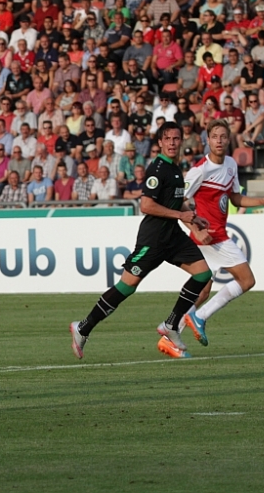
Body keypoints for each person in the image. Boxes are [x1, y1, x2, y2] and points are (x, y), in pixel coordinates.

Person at [70, 122, 214, 360]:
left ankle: (171, 324)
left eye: (176, 138)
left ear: (181, 141)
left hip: (173, 236)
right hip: (153, 238)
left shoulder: (175, 168)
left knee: (203, 275)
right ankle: (83, 327)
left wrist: (194, 218)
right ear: (160, 142)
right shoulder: (157, 169)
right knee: (126, 287)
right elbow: (146, 205)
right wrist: (180, 216)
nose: (172, 143)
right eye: (167, 139)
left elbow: (176, 201)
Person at [180, 120, 264, 347]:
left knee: (202, 291)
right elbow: (178, 203)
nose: (219, 140)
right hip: (210, 238)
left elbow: (235, 198)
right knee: (246, 280)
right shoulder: (200, 170)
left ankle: (169, 330)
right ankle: (199, 317)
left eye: (223, 136)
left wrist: (261, 201)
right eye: (215, 136)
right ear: (207, 140)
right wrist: (196, 229)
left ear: (228, 139)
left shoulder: (231, 164)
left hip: (215, 237)